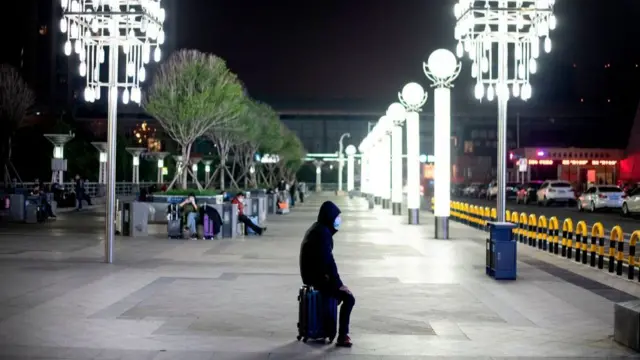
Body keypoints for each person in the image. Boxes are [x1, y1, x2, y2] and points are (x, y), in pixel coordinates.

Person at [299, 200, 354, 347]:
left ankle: (331, 328)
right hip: (317, 279)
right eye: (336, 218)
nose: (338, 221)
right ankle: (343, 336)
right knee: (349, 298)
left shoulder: (317, 229)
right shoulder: (323, 234)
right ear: (329, 217)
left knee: (339, 295)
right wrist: (339, 285)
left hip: (312, 275)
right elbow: (328, 262)